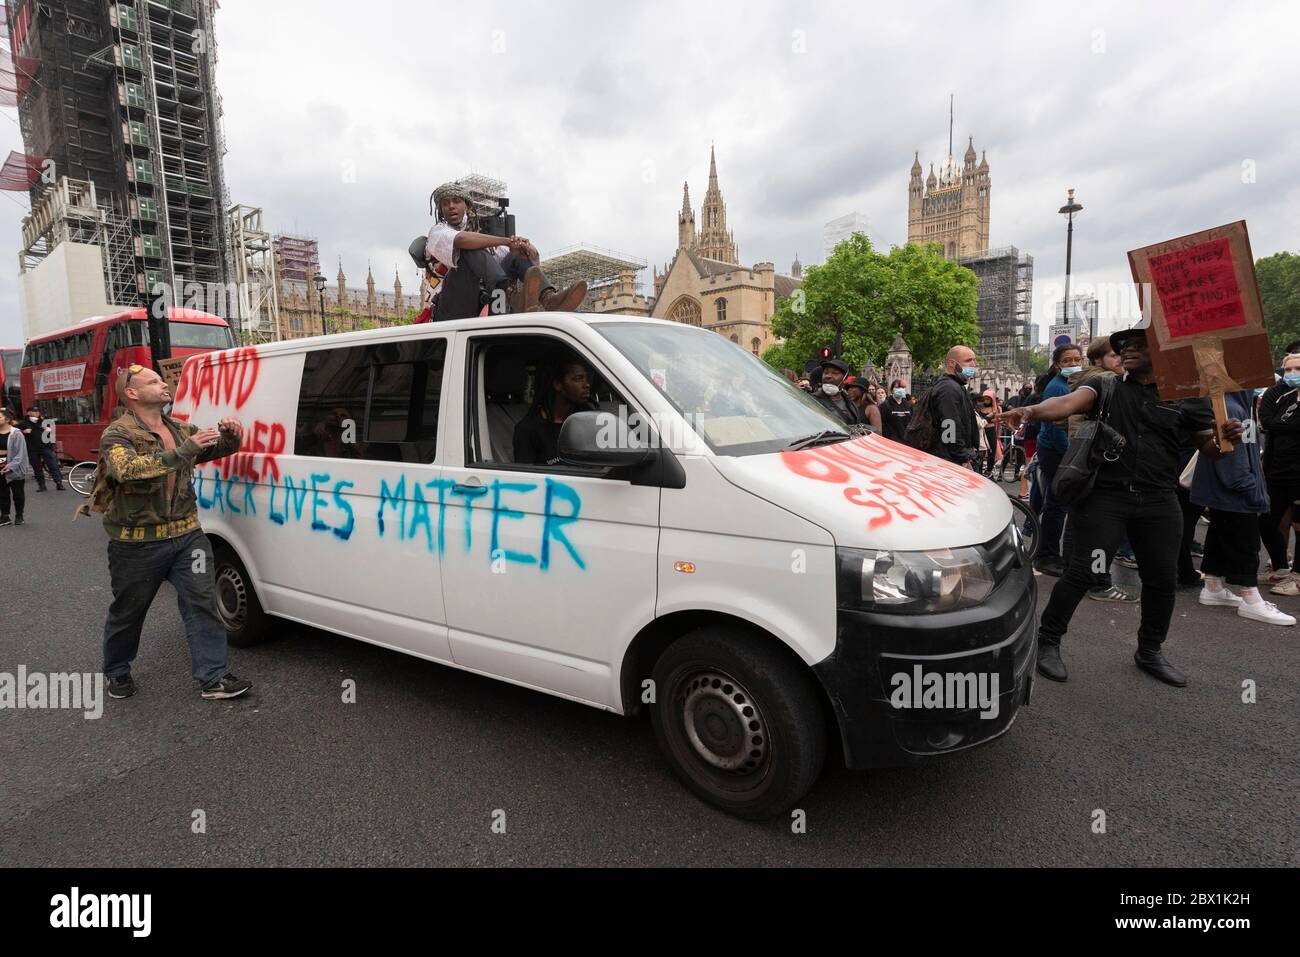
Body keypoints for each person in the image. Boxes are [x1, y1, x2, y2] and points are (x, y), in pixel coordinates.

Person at [997, 325, 1242, 687]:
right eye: (1124, 345)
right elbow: (1064, 404)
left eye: (1140, 345)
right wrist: (1030, 411)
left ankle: (1150, 650)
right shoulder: (1104, 386)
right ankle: (1048, 641)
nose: (1127, 350)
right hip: (1105, 498)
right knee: (1081, 573)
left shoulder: (1187, 398)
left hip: (1160, 499)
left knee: (1161, 580)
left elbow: (1211, 449)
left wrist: (1228, 438)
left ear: (1163, 354)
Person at [90, 364, 251, 701]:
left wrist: (232, 438)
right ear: (132, 393)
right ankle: (117, 671)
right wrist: (186, 449)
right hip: (136, 546)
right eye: (153, 381)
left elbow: (212, 449)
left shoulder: (178, 428)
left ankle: (214, 678)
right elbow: (129, 470)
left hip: (187, 537)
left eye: (162, 380)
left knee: (202, 604)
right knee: (129, 611)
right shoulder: (117, 434)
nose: (164, 384)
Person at [1190, 390, 1294, 625]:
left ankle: (1213, 587)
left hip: (1223, 493)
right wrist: (1253, 490)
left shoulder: (1232, 402)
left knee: (1218, 536)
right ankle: (1252, 600)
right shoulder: (1233, 407)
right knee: (1246, 545)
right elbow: (1233, 461)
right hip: (1237, 493)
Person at [424, 181, 586, 321]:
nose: (451, 206)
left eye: (456, 201)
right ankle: (511, 295)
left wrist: (524, 248)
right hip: (451, 309)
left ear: (466, 206)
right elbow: (461, 240)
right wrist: (508, 241)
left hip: (484, 304)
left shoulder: (483, 240)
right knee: (469, 250)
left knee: (515, 256)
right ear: (441, 210)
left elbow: (530, 259)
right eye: (446, 203)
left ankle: (549, 299)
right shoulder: (437, 233)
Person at [1060, 339, 1136, 602]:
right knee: (1102, 529)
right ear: (1097, 360)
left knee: (1079, 519)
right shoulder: (1104, 382)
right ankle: (1098, 582)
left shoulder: (1085, 380)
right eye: (1115, 355)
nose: (1121, 360)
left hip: (1082, 458)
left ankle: (1073, 570)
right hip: (1097, 460)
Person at [1032, 344, 1085, 576]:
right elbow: (1056, 428)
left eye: (1077, 359)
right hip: (1056, 453)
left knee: (1054, 503)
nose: (1073, 365)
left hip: (1058, 451)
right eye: (1068, 361)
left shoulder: (1072, 386)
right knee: (1055, 505)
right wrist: (1070, 457)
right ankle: (1047, 555)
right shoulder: (1058, 388)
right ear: (1057, 365)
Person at [1257, 353, 1300, 595]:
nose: (1292, 374)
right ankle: (1281, 567)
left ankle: (1298, 577)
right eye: (1289, 369)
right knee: (1266, 519)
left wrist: (1279, 424)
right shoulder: (1283, 396)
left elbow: (1274, 423)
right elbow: (1266, 422)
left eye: (1297, 369)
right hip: (1276, 470)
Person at [513, 358, 593, 466]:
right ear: (557, 384)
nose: (586, 385)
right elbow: (526, 477)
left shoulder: (589, 419)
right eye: (578, 379)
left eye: (586, 379)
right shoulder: (529, 429)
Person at [909, 345, 979, 466]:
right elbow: (950, 425)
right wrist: (962, 457)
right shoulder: (948, 389)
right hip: (950, 459)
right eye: (968, 360)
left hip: (951, 457)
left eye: (974, 360)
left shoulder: (956, 385)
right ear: (952, 363)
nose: (973, 364)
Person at [19, 405, 64, 492]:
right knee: (37, 468)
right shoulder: (24, 423)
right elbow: (13, 430)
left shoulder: (44, 421)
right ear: (29, 413)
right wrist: (23, 431)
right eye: (34, 411)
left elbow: (51, 435)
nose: (36, 413)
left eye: (37, 411)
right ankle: (42, 485)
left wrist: (49, 432)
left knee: (53, 465)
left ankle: (59, 483)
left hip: (45, 447)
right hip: (32, 449)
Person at [0, 409, 33, 526]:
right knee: (2, 493)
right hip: (0, 467)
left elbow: (21, 454)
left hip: (15, 468)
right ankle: (5, 516)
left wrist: (11, 466)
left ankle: (19, 516)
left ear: (7, 420)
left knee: (17, 493)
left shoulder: (16, 434)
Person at [814, 358, 866, 427]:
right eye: (826, 372)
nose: (828, 376)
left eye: (835, 373)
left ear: (845, 379)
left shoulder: (849, 402)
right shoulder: (812, 400)